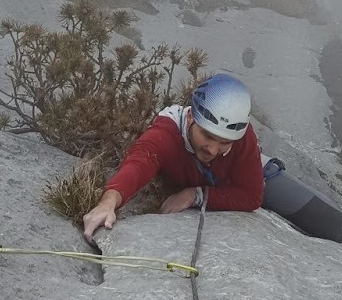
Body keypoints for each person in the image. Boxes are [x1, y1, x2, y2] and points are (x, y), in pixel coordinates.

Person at [82, 72, 263, 240]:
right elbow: (139, 163)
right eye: (208, 136)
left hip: (254, 168)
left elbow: (252, 196)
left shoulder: (241, 137)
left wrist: (195, 195)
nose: (213, 150)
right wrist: (108, 202)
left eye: (225, 143)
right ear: (191, 116)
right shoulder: (167, 133)